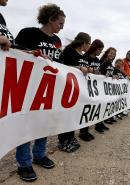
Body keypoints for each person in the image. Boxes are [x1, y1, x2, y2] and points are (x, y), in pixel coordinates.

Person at [14, 4, 65, 182]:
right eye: (60, 22)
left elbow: (60, 63)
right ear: (50, 19)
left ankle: (39, 154)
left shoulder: (57, 40)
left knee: (44, 121)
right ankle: (24, 162)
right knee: (26, 123)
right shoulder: (28, 33)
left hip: (48, 88)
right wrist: (34, 54)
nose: (62, 26)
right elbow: (13, 52)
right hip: (28, 87)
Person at [58, 32, 91, 150]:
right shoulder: (69, 52)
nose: (89, 46)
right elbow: (61, 67)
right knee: (66, 115)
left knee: (74, 115)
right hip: (67, 89)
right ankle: (63, 140)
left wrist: (89, 70)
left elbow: (84, 69)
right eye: (89, 43)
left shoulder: (83, 56)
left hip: (79, 91)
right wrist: (78, 68)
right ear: (84, 43)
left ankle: (70, 137)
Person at [79, 39, 110, 135]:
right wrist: (91, 70)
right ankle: (83, 131)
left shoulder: (97, 60)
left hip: (95, 88)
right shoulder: (85, 57)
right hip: (85, 86)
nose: (100, 52)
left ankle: (89, 128)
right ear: (95, 48)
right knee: (85, 108)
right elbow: (82, 70)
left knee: (93, 108)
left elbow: (99, 72)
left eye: (101, 50)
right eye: (99, 50)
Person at [99, 47, 118, 123]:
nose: (112, 55)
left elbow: (110, 74)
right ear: (107, 53)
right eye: (110, 53)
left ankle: (101, 122)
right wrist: (110, 76)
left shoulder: (110, 64)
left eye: (113, 54)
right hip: (100, 86)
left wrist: (114, 76)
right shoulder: (102, 61)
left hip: (107, 88)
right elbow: (100, 73)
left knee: (104, 105)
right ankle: (98, 124)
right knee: (100, 105)